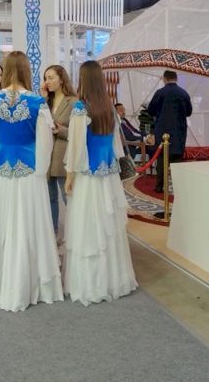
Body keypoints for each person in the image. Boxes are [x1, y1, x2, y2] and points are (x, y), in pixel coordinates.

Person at [0, 51, 63, 311]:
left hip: (3, 172)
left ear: (5, 70)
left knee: (5, 223)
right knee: (30, 222)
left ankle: (5, 280)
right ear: (27, 70)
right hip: (30, 173)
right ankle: (33, 280)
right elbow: (46, 144)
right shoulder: (38, 103)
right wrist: (40, 170)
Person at [64, 60, 138, 306]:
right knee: (109, 227)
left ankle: (91, 284)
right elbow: (116, 146)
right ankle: (114, 279)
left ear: (83, 79)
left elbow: (76, 147)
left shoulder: (81, 108)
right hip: (109, 176)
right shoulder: (109, 107)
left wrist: (70, 175)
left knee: (89, 228)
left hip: (89, 176)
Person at [40, 65, 77, 236]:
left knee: (68, 196)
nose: (47, 82)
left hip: (64, 156)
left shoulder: (73, 102)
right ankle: (52, 233)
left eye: (51, 78)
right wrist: (43, 99)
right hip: (46, 155)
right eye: (45, 78)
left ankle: (75, 233)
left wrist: (61, 130)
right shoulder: (45, 102)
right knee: (49, 198)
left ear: (61, 79)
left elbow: (81, 133)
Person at [147, 70, 193, 192]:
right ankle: (178, 187)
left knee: (161, 159)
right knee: (177, 159)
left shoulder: (160, 93)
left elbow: (150, 110)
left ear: (164, 78)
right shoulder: (183, 93)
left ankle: (159, 187)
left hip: (162, 131)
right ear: (176, 78)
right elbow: (189, 112)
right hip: (179, 132)